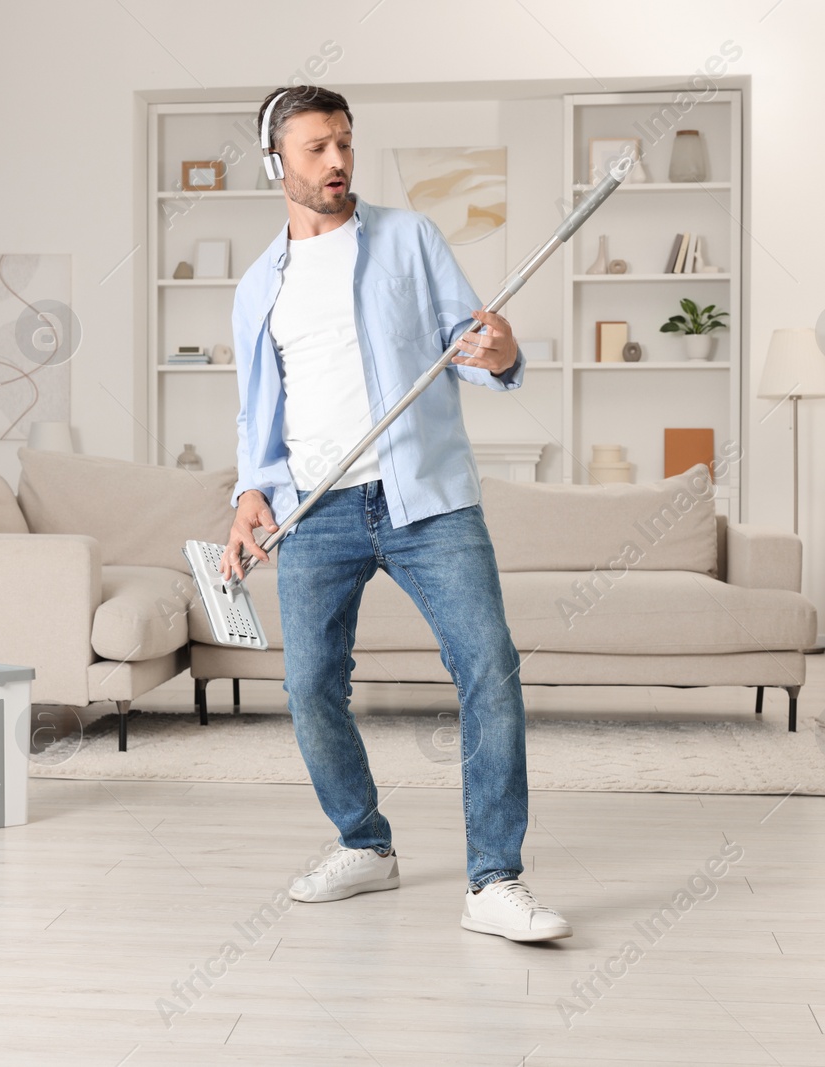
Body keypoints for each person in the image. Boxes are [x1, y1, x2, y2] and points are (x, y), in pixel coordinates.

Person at [219, 85, 570, 942]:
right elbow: (257, 416)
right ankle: (365, 844)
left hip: (428, 499)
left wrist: (503, 349)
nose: (336, 161)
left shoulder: (409, 238)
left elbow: (475, 345)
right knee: (310, 688)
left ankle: (494, 879)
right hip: (317, 509)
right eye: (314, 148)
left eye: (343, 143)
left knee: (489, 666)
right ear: (277, 164)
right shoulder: (258, 286)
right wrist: (250, 492)